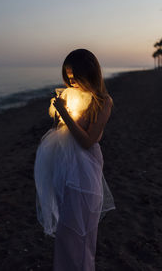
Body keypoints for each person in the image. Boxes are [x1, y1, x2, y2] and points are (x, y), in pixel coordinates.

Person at [34, 49, 116, 271]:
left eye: (74, 77)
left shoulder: (103, 101)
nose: (70, 81)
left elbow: (87, 141)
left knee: (80, 232)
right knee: (65, 231)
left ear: (89, 73)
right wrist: (59, 113)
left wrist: (66, 114)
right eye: (68, 77)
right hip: (65, 166)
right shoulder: (72, 94)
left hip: (85, 168)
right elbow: (61, 128)